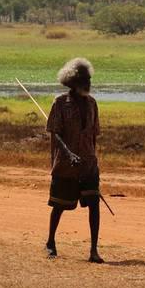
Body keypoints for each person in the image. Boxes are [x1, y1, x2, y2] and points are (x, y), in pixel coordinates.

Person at [45, 57, 103, 262]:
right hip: (66, 165)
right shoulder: (60, 103)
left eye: (89, 80)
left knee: (94, 203)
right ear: (73, 83)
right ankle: (50, 242)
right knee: (59, 205)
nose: (88, 84)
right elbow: (55, 133)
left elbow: (94, 134)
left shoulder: (92, 103)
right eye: (84, 81)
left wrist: (93, 159)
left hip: (88, 164)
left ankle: (94, 250)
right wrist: (69, 154)